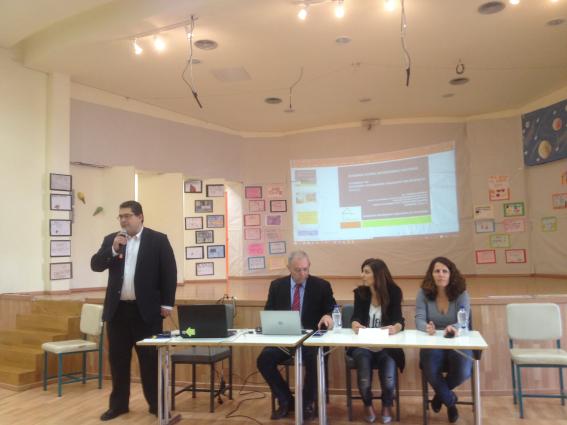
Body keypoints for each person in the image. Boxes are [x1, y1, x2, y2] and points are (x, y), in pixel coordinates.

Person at [91, 200, 177, 421]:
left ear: (140, 217)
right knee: (118, 362)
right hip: (117, 312)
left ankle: (157, 405)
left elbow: (169, 273)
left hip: (146, 313)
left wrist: (167, 304)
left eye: (127, 216)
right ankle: (119, 405)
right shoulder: (112, 240)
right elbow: (96, 265)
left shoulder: (158, 240)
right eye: (120, 216)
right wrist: (113, 249)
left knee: (150, 363)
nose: (123, 220)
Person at [257, 251, 336, 421]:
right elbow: (269, 311)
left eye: (305, 269)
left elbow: (332, 308)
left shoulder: (321, 286)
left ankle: (306, 403)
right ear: (289, 268)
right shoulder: (277, 286)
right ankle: (286, 400)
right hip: (285, 340)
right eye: (298, 270)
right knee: (264, 359)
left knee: (315, 360)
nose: (302, 273)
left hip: (312, 340)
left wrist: (328, 316)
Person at [415, 257, 472, 424]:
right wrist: (426, 327)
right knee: (430, 369)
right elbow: (419, 319)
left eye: (444, 271)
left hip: (456, 339)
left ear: (451, 274)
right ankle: (450, 401)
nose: (440, 274)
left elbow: (464, 321)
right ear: (431, 274)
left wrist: (453, 328)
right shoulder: (423, 293)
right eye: (437, 271)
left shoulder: (461, 293)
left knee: (463, 371)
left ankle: (440, 396)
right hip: (433, 340)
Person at [349, 259, 405, 424]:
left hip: (386, 346)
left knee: (388, 380)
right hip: (363, 345)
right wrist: (354, 323)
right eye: (362, 271)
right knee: (364, 379)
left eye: (366, 272)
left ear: (378, 275)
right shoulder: (360, 293)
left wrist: (396, 327)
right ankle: (367, 404)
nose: (362, 275)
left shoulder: (394, 292)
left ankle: (387, 405)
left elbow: (399, 319)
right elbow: (356, 316)